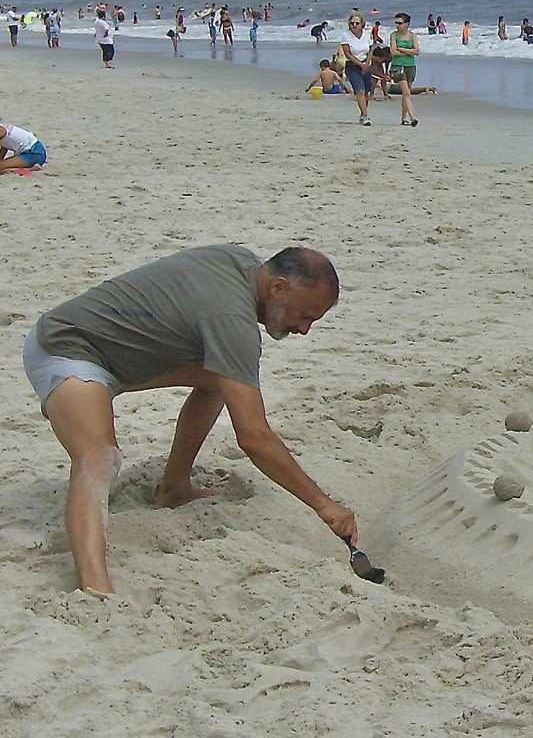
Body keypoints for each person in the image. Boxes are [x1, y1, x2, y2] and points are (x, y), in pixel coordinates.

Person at [25, 244, 354, 594]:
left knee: (222, 376)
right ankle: (94, 587)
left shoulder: (239, 261)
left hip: (121, 355)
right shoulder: (232, 321)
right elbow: (254, 438)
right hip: (65, 346)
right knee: (98, 458)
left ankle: (174, 489)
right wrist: (324, 505)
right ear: (277, 287)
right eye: (304, 315)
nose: (304, 330)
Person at [0, 106, 48, 173]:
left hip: (32, 153)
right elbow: (4, 148)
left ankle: (30, 170)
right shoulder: (1, 126)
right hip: (38, 150)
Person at [339, 12, 378, 125]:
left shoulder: (367, 34)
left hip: (366, 63)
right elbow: (348, 54)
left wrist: (367, 63)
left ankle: (362, 113)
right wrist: (361, 65)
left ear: (362, 24)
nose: (354, 25)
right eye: (352, 23)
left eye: (357, 23)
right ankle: (366, 116)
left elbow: (370, 50)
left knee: (367, 92)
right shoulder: (346, 36)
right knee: (359, 91)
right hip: (353, 66)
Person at [389, 13, 421, 126]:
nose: (397, 25)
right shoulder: (394, 35)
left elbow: (417, 51)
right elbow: (393, 52)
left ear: (407, 24)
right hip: (397, 66)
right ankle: (413, 118)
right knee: (407, 93)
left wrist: (402, 49)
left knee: (405, 94)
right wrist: (409, 51)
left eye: (400, 23)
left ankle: (403, 118)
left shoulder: (413, 36)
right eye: (396, 23)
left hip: (410, 65)